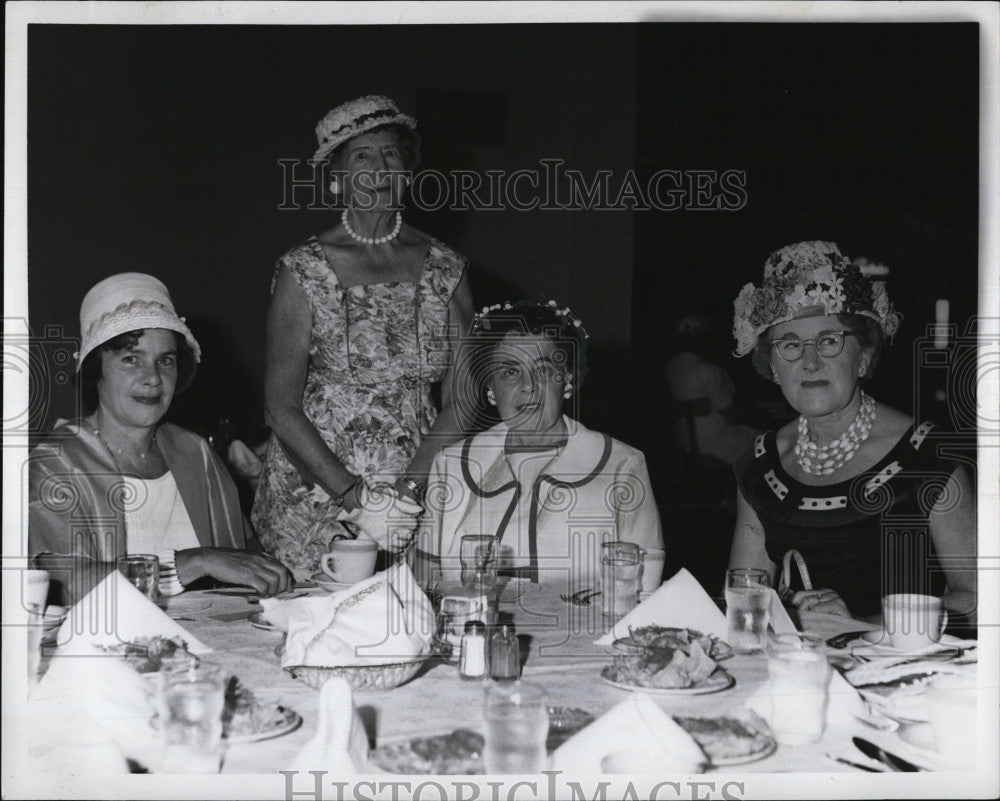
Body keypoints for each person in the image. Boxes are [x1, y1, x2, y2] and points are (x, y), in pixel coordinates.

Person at [253, 95, 474, 578]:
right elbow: (279, 408)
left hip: (418, 492)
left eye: (391, 154)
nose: (379, 167)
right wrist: (357, 500)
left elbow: (463, 396)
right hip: (317, 494)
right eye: (362, 156)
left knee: (412, 627)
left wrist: (406, 495)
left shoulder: (447, 267)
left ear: (408, 171)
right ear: (337, 177)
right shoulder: (303, 270)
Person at [727, 241, 976, 622]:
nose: (809, 363)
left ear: (863, 357)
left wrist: (863, 625)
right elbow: (744, 598)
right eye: (790, 345)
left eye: (828, 341)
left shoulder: (928, 458)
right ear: (773, 367)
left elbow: (978, 601)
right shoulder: (760, 465)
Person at [29, 273, 294, 604]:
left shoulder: (196, 453)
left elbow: (246, 557)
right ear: (97, 370)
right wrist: (195, 561)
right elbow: (62, 585)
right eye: (131, 359)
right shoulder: (56, 461)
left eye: (165, 360)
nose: (153, 378)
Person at [417, 300, 663, 592]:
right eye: (510, 372)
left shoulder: (622, 465)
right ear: (490, 388)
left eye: (544, 370)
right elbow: (425, 579)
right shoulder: (452, 465)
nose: (528, 386)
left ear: (567, 379)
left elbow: (643, 587)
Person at [665, 312, 758, 466]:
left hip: (686, 444)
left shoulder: (672, 367)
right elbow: (731, 414)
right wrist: (753, 393)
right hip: (717, 445)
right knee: (769, 442)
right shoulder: (707, 370)